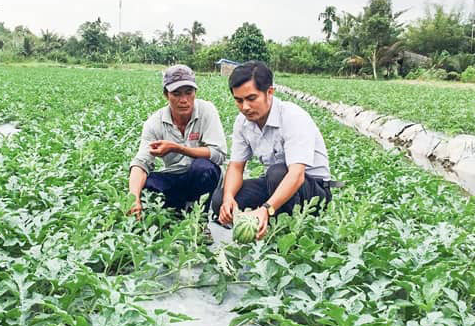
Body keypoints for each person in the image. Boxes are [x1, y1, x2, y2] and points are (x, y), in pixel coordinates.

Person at [212, 60, 332, 238]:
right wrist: (229, 198)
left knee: (277, 173)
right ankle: (261, 224)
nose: (245, 107)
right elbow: (236, 167)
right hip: (274, 183)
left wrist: (266, 209)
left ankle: (288, 234)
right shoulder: (242, 123)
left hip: (312, 190)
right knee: (220, 200)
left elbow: (296, 175)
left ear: (269, 92)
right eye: (239, 100)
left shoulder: (292, 117)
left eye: (251, 98)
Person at [129, 65, 227, 217]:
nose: (184, 100)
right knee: (147, 186)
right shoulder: (154, 123)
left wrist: (177, 148)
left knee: (204, 168)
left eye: (189, 93)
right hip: (175, 176)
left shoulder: (207, 111)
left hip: (201, 178)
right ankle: (180, 208)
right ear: (166, 95)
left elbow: (218, 154)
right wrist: (133, 198)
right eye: (176, 94)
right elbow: (141, 163)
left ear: (195, 93)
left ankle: (199, 220)